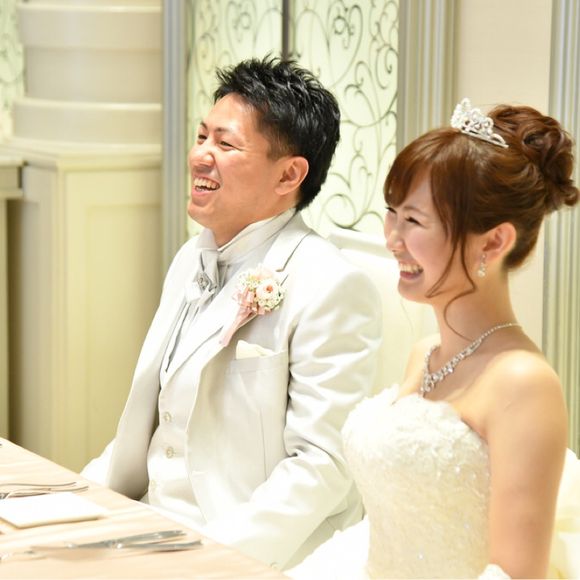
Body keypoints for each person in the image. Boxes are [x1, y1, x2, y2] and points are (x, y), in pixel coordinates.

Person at [82, 56, 382, 570]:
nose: (200, 156)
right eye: (202, 136)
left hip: (246, 550)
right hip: (147, 520)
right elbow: (152, 427)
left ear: (289, 174)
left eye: (225, 144)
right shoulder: (191, 256)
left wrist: (213, 561)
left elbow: (322, 465)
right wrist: (77, 500)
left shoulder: (330, 284)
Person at [290, 98, 580, 579]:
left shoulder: (522, 382)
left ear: (494, 241)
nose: (392, 239)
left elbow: (516, 573)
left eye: (415, 221)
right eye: (393, 213)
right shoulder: (424, 354)